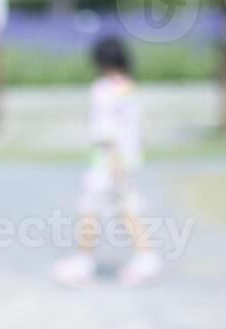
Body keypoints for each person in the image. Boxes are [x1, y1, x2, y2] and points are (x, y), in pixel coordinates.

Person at [51, 36, 161, 286]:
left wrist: (114, 164)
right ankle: (146, 259)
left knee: (89, 209)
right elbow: (138, 130)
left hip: (108, 162)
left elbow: (105, 131)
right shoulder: (131, 88)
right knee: (127, 209)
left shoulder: (102, 90)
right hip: (129, 160)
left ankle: (83, 263)